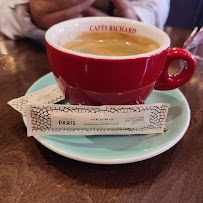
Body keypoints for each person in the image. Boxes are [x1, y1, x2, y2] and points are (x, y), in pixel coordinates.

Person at [0, 0, 170, 45]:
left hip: (133, 54)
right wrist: (28, 12)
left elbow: (157, 5)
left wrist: (138, 22)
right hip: (38, 52)